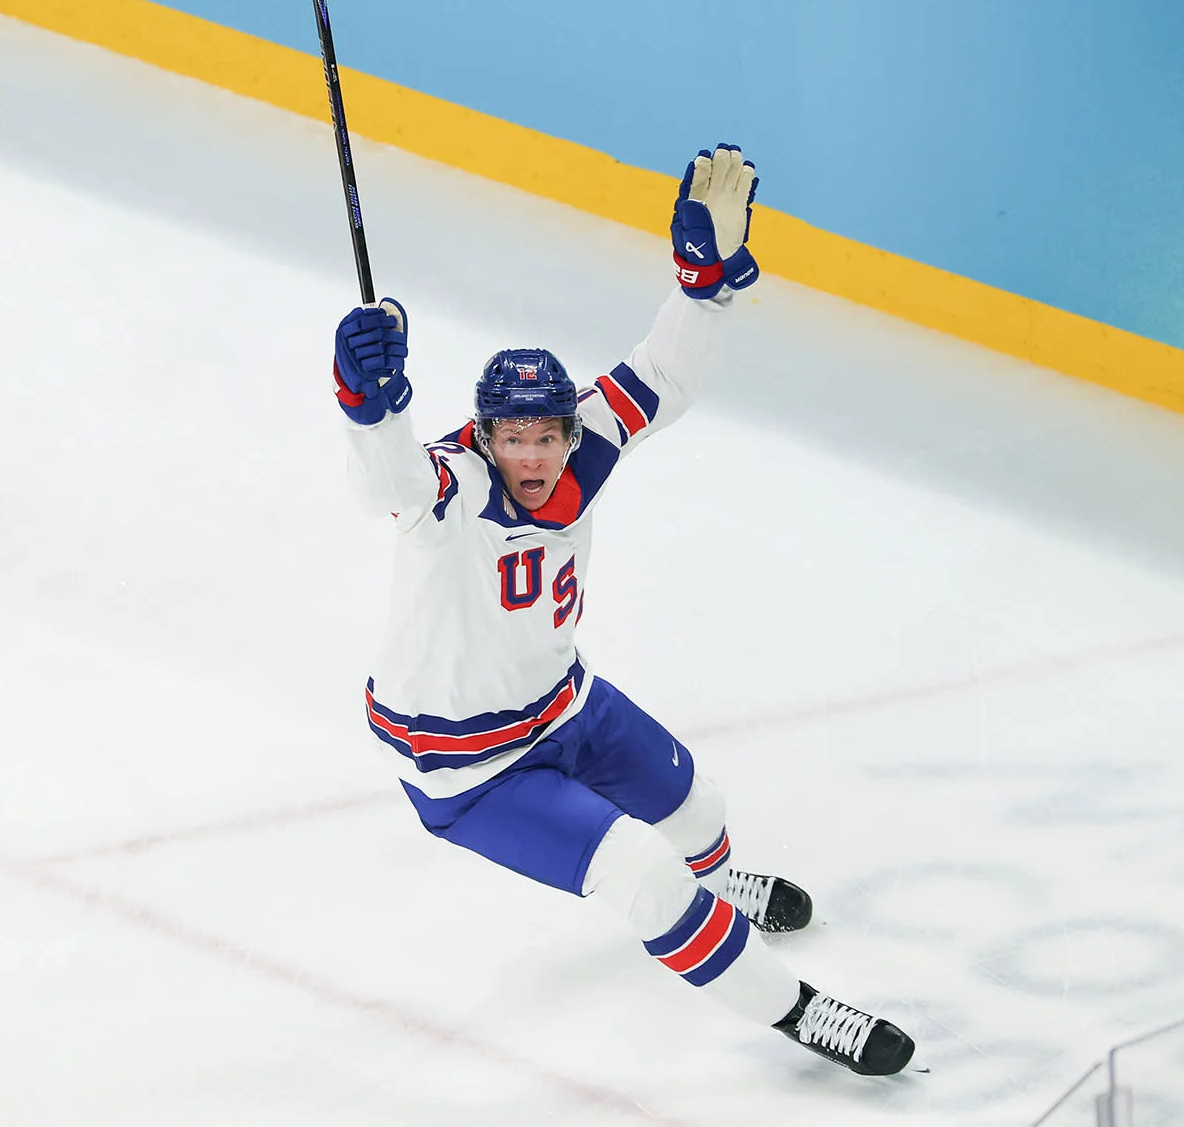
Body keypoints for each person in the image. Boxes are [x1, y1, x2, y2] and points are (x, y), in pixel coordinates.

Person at [332, 145, 914, 1077]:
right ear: (482, 434)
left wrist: (704, 287)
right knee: (644, 881)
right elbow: (388, 488)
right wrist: (368, 408)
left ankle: (720, 888)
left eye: (547, 433)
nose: (533, 454)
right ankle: (802, 1014)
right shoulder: (451, 490)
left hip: (562, 702)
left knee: (698, 806)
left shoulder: (583, 446)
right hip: (469, 765)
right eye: (512, 436)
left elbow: (662, 377)